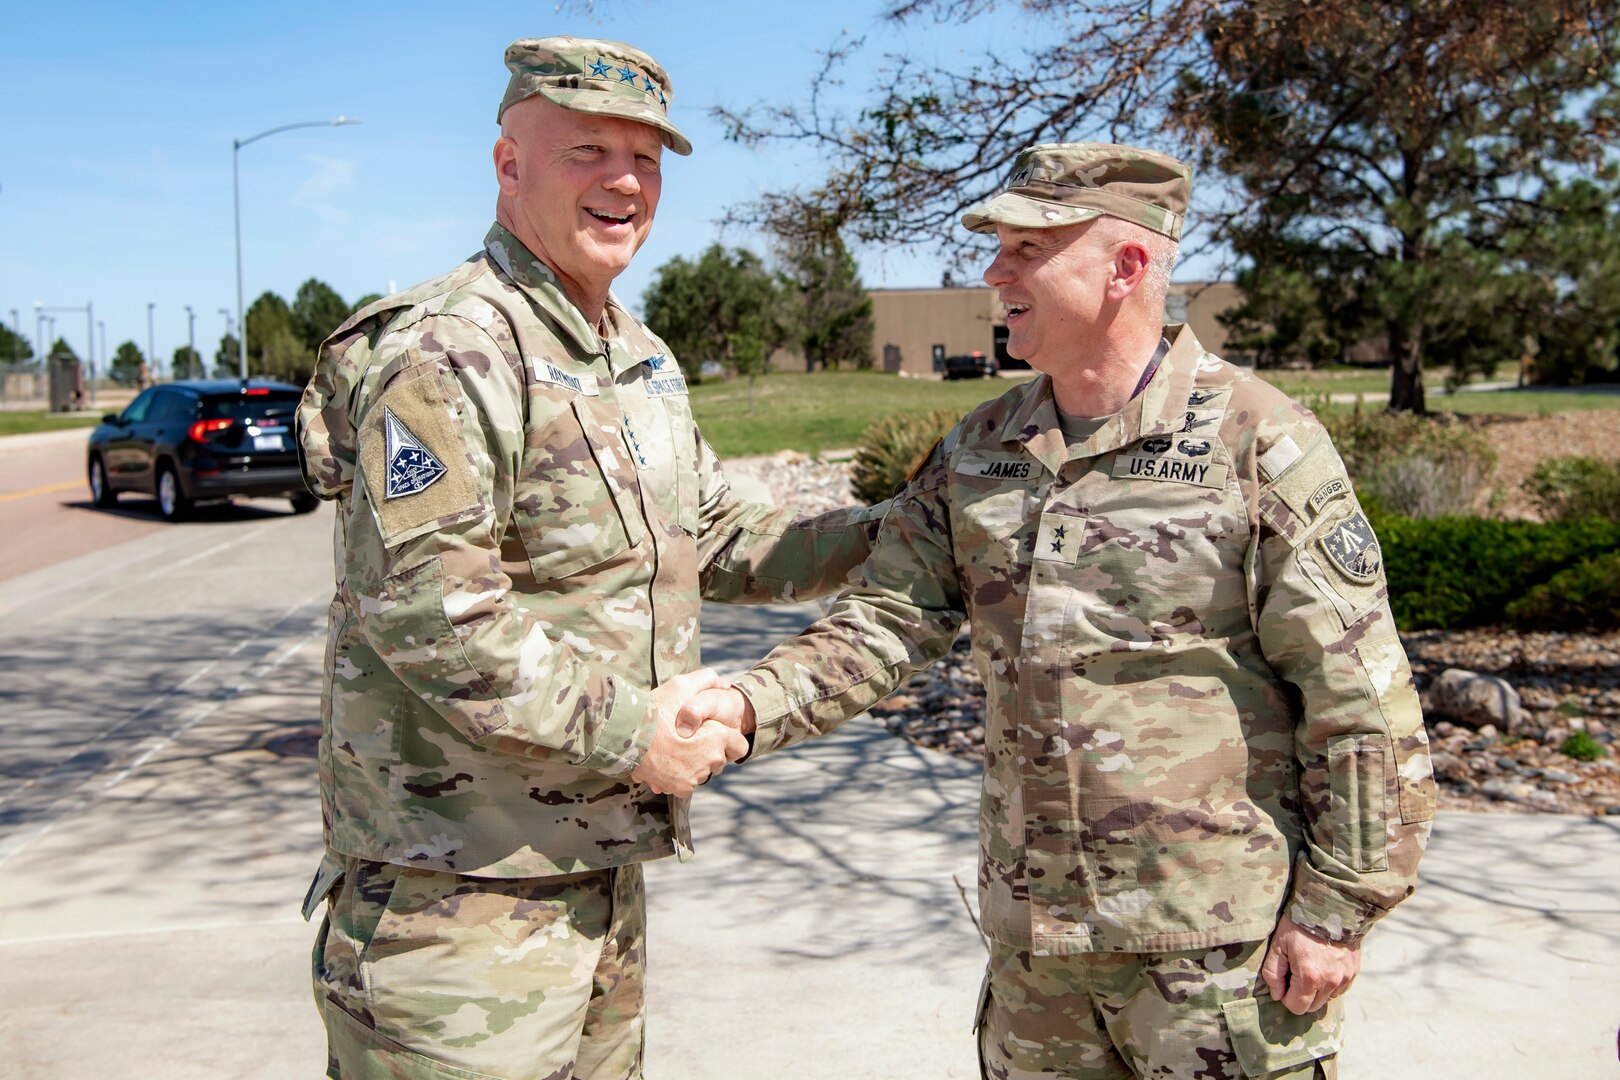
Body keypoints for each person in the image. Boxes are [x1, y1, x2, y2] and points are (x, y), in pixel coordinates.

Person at [683, 143, 1436, 1079]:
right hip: (1038, 950)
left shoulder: (1259, 442)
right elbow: (887, 619)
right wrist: (752, 706)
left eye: (1027, 247)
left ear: (1126, 266)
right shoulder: (983, 444)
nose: (994, 272)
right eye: (997, 246)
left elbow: (1361, 697)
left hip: (1212, 957)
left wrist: (1335, 911)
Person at [293, 36, 885, 1080]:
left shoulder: (636, 357)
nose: (624, 181)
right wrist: (632, 738)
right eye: (588, 151)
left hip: (595, 874)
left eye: (647, 158)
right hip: (457, 899)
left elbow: (721, 535)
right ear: (508, 163)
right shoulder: (450, 348)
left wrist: (914, 529)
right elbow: (435, 615)